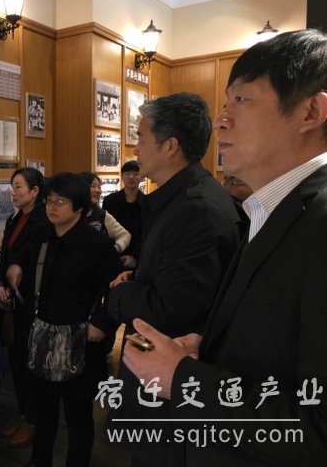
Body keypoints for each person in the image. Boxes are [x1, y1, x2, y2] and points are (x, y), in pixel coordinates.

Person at [121, 29, 327, 467]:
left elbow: (318, 430)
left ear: (311, 112)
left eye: (242, 100)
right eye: (226, 102)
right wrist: (208, 349)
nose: (221, 120)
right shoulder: (271, 208)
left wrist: (183, 378)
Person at [104, 92, 241, 467]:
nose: (135, 147)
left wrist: (119, 294)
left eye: (141, 136)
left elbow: (169, 309)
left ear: (170, 146)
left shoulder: (195, 209)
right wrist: (139, 278)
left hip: (169, 398)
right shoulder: (184, 200)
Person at [6, 172, 123, 467]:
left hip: (79, 341)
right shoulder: (42, 234)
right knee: (43, 413)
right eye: (49, 200)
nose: (52, 206)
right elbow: (21, 255)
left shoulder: (95, 243)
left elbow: (118, 289)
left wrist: (102, 323)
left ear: (79, 206)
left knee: (78, 418)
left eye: (60, 201)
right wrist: (17, 265)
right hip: (44, 337)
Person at [0, 168, 49, 447]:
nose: (13, 192)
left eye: (18, 187)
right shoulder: (14, 218)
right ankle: (24, 413)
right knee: (16, 359)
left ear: (35, 191)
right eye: (12, 186)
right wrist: (0, 284)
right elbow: (5, 256)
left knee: (30, 363)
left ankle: (35, 420)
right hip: (11, 302)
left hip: (30, 304)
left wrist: (15, 283)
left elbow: (34, 263)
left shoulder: (43, 220)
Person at [102, 159, 147, 269]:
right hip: (113, 254)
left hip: (139, 258)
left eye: (135, 174)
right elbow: (105, 231)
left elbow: (147, 234)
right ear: (122, 176)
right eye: (127, 174)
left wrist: (134, 256)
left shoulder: (147, 203)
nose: (131, 177)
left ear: (141, 177)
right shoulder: (109, 201)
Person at [79, 171, 131, 254]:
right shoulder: (69, 214)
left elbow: (125, 235)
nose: (98, 190)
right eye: (93, 186)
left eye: (99, 187)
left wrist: (113, 250)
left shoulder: (101, 215)